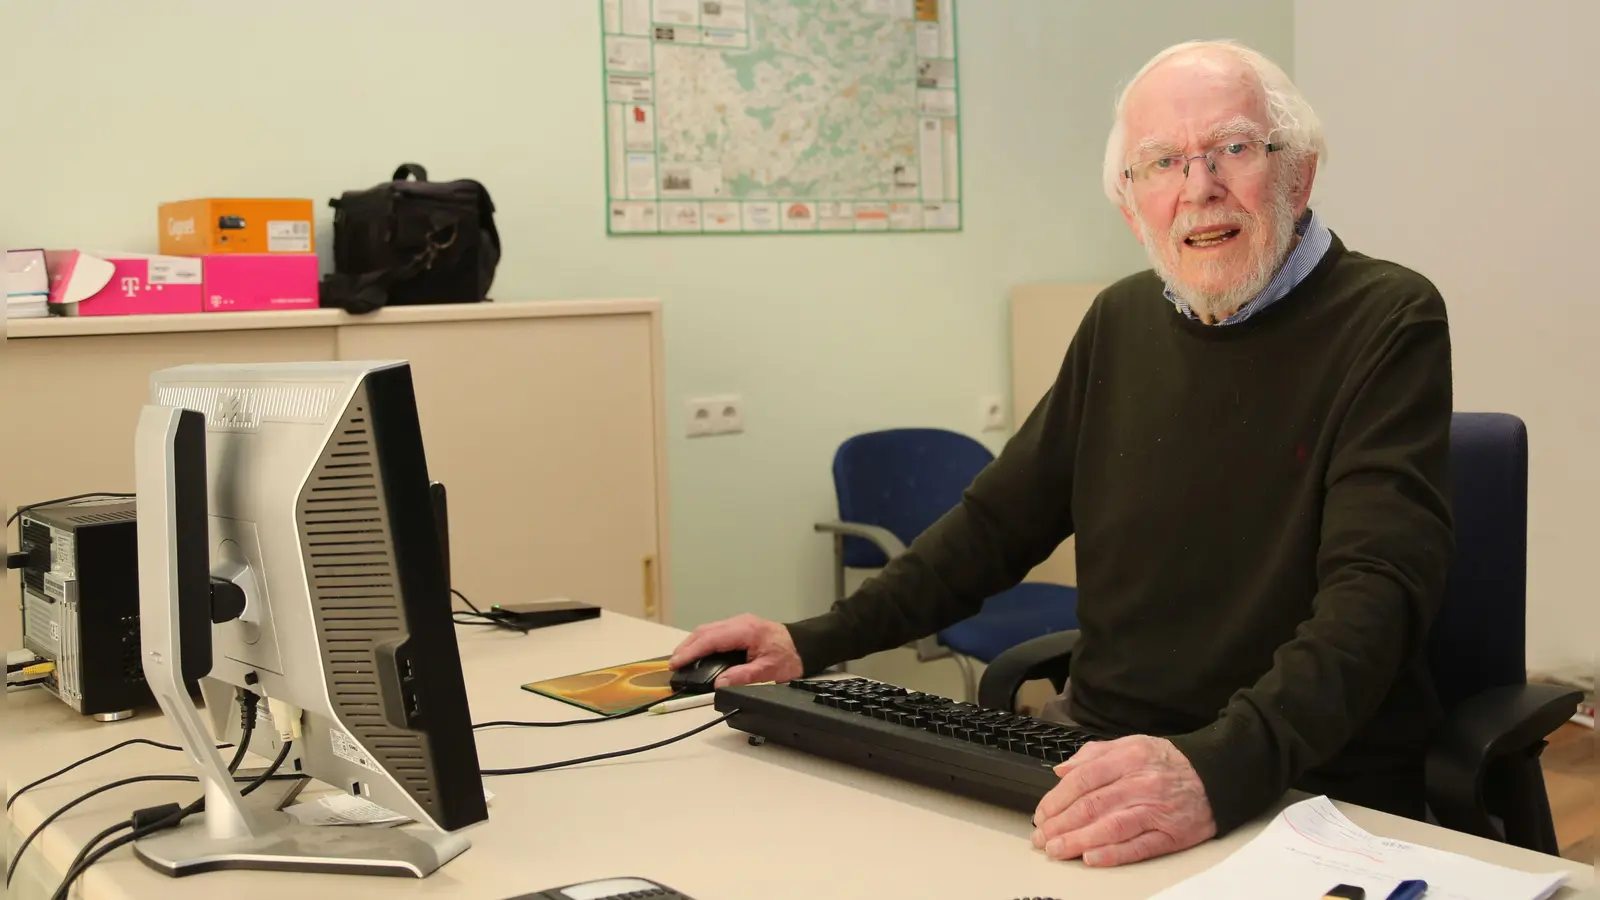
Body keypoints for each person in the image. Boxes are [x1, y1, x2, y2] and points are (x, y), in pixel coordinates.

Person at [670, 39, 1453, 868]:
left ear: (1300, 171)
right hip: (1098, 756)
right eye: (1161, 163)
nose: (1199, 189)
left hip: (1303, 785)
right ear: (1129, 204)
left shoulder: (1389, 318)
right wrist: (811, 641)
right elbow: (993, 527)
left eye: (1233, 149)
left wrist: (1217, 768)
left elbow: (1377, 597)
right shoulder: (1120, 321)